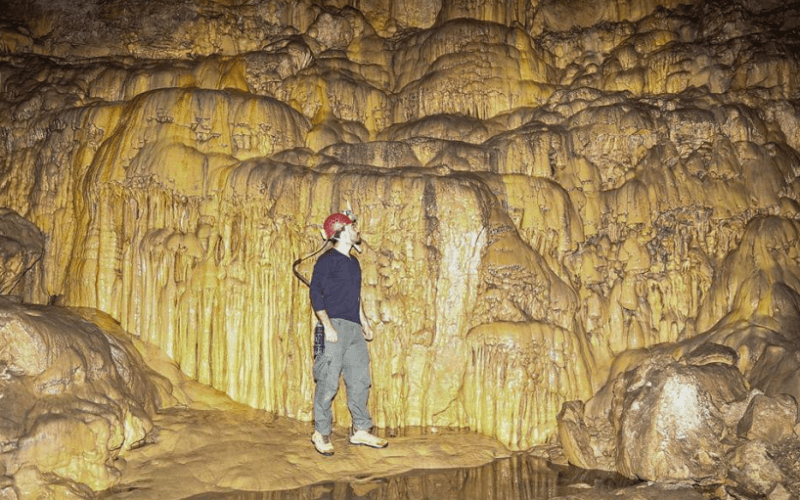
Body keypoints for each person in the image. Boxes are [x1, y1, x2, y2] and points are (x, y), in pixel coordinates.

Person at [309, 210, 388, 456]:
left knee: (360, 380)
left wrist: (364, 321)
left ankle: (360, 430)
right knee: (328, 381)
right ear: (341, 232)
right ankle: (321, 432)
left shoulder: (354, 263)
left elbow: (356, 296)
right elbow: (315, 294)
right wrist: (328, 326)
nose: (358, 230)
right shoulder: (326, 260)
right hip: (332, 326)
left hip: (353, 328)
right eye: (353, 227)